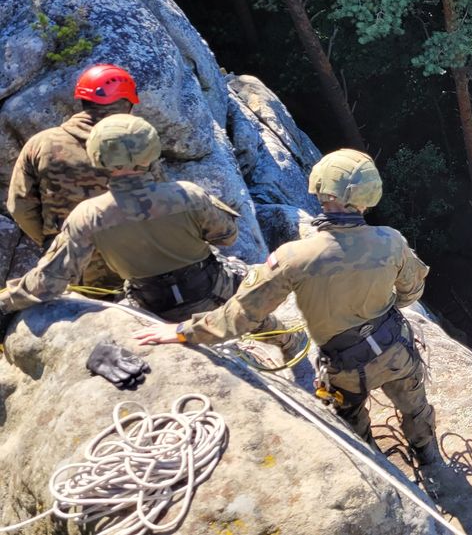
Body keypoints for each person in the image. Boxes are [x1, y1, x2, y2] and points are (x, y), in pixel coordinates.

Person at [134, 150, 438, 464]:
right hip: (396, 349)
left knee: (350, 414)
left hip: (345, 367)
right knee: (415, 405)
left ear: (320, 191)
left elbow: (241, 315)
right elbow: (411, 291)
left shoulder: (294, 257)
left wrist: (183, 331)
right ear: (369, 196)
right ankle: (427, 453)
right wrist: (385, 304)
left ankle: (376, 461)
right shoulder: (391, 241)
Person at [0, 114, 241, 323]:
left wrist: (6, 301)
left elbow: (49, 281)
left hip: (148, 308)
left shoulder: (88, 215)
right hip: (214, 294)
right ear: (151, 153)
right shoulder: (188, 195)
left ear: (96, 156)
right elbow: (228, 237)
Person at [7, 64, 144, 292]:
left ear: (82, 100)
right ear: (128, 104)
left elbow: (19, 205)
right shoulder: (139, 146)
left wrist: (51, 240)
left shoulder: (42, 143)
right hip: (124, 262)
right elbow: (155, 202)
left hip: (63, 264)